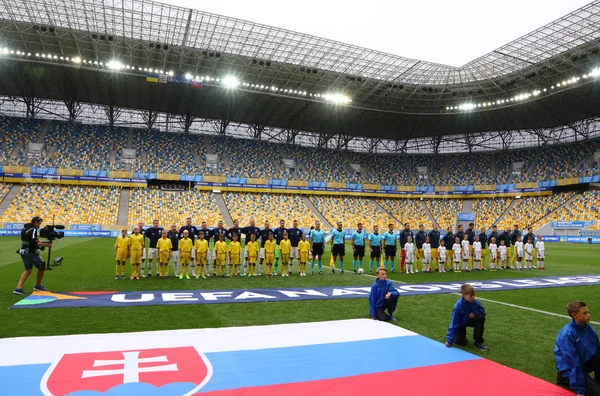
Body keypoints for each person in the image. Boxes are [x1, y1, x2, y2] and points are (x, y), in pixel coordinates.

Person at [555, 301, 600, 396]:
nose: (588, 315)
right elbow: (574, 363)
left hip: (583, 364)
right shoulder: (568, 334)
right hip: (570, 369)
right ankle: (563, 378)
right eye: (584, 313)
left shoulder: (589, 329)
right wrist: (580, 391)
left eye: (588, 312)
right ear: (574, 315)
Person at [14, 216, 54, 294]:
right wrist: (46, 245)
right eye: (39, 223)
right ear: (35, 222)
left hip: (23, 250)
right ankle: (38, 286)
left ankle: (18, 288)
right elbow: (33, 242)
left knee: (28, 270)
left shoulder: (25, 228)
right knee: (42, 267)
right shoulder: (33, 229)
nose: (39, 225)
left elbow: (29, 240)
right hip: (30, 252)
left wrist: (41, 243)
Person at [445, 284, 489, 351]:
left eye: (474, 295)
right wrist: (449, 341)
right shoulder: (458, 306)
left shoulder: (476, 302)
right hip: (461, 323)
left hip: (470, 320)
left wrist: (474, 313)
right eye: (471, 296)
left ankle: (478, 341)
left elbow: (482, 310)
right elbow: (454, 322)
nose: (473, 297)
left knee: (480, 317)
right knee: (461, 342)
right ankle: (461, 338)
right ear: (464, 295)